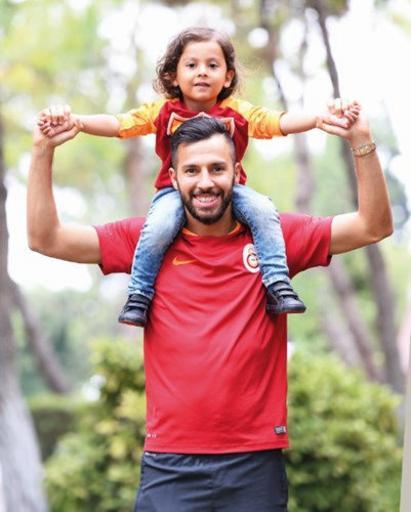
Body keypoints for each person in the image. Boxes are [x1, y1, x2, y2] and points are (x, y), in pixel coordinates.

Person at [28, 103, 392, 511]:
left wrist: (361, 141)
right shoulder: (146, 243)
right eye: (192, 171)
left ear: (236, 173)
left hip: (255, 462)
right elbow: (46, 239)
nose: (205, 182)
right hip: (169, 465)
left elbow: (373, 226)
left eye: (217, 169)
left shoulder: (274, 238)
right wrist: (42, 150)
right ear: (173, 178)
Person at [37, 26, 359, 327]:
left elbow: (278, 122)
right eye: (191, 65)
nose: (202, 71)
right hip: (173, 192)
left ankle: (277, 283)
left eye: (212, 65)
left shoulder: (238, 111)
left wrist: (318, 118)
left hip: (230, 190)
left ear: (227, 76)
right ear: (173, 75)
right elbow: (119, 125)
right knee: (159, 225)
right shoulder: (162, 111)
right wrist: (78, 122)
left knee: (263, 211)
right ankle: (139, 294)